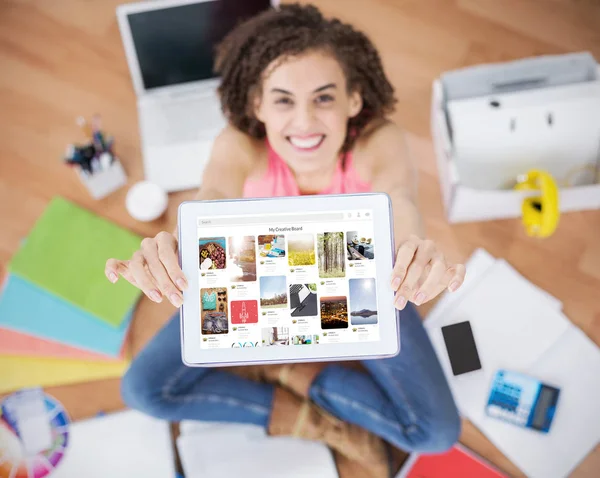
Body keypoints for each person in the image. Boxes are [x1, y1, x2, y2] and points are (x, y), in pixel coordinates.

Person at [105, 4, 465, 477]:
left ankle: (297, 375)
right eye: (283, 100)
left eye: (323, 98)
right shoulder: (239, 145)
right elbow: (211, 197)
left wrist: (414, 248)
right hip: (256, 274)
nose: (304, 122)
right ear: (256, 104)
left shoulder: (380, 140)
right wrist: (175, 244)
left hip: (359, 278)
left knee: (437, 433)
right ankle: (308, 417)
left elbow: (401, 201)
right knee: (141, 390)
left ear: (354, 99)